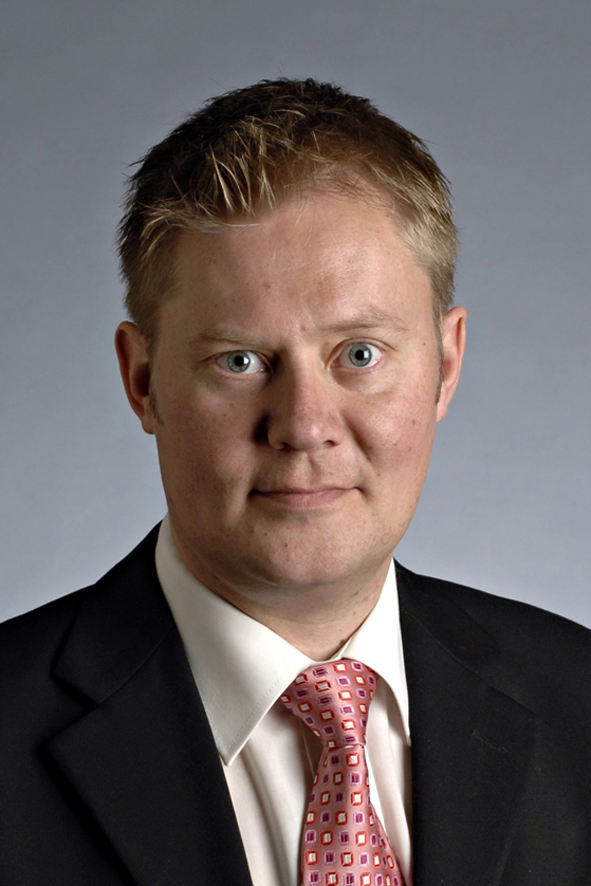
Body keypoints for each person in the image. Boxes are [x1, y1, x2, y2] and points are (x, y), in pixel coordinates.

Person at [1, 78, 590, 886]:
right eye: (239, 361)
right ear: (143, 381)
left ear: (445, 365)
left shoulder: (577, 702)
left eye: (359, 355)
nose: (304, 425)